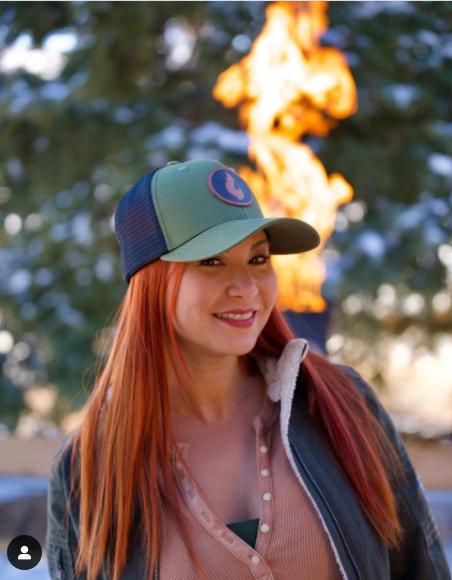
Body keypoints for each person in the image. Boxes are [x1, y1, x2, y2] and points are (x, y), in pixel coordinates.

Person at [45, 159, 450, 580]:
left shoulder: (341, 405)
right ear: (151, 281)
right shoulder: (88, 467)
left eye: (258, 258)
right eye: (211, 262)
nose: (246, 287)